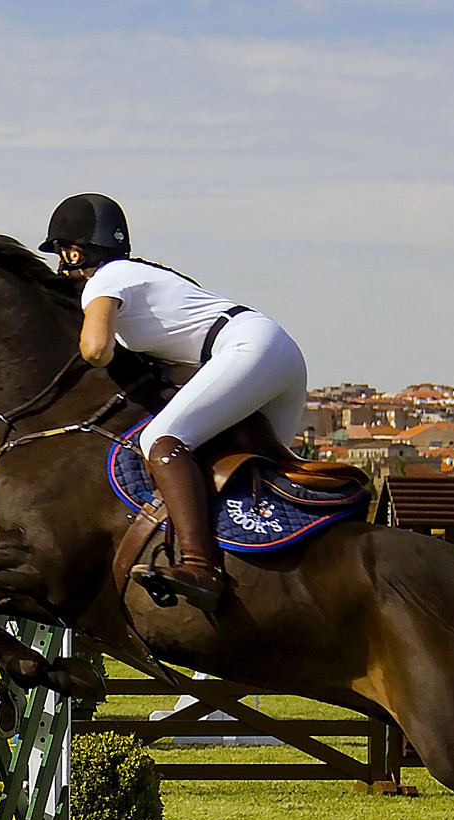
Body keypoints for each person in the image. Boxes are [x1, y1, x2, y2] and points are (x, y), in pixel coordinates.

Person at [40, 192, 309, 612]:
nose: (61, 264)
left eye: (62, 253)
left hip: (246, 347)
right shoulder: (144, 274)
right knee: (265, 473)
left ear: (76, 250)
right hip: (274, 349)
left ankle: (201, 567)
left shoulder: (105, 280)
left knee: (159, 440)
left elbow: (95, 350)